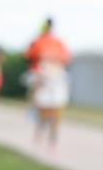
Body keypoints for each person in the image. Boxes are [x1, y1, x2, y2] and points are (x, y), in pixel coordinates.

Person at [25, 19, 71, 149]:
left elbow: (65, 58)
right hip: (41, 76)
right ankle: (37, 124)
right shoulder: (38, 41)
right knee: (41, 107)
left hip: (56, 79)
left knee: (56, 109)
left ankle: (52, 137)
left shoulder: (58, 42)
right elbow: (29, 56)